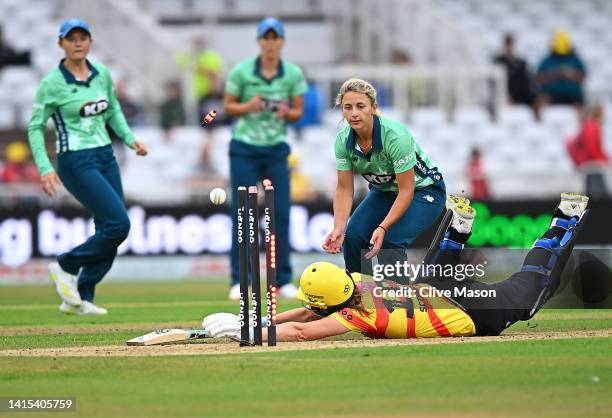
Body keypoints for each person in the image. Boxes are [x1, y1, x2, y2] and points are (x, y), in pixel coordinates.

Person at [203, 192, 590, 341]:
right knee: (430, 278)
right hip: (435, 292)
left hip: (475, 314)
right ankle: (455, 229)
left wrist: (251, 334)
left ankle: (565, 220)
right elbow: (309, 311)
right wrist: (253, 324)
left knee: (533, 289)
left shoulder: (362, 318)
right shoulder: (356, 281)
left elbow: (305, 329)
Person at [27, 18, 148, 315]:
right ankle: (66, 264)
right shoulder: (51, 84)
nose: (78, 42)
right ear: (61, 44)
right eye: (72, 38)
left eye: (83, 37)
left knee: (110, 228)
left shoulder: (101, 74)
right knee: (119, 224)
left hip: (106, 156)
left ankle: (82, 297)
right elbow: (35, 127)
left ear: (90, 41)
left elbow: (114, 110)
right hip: (75, 160)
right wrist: (45, 167)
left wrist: (130, 139)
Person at [322, 78, 446, 280]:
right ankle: (360, 301)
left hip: (424, 192)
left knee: (390, 241)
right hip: (384, 191)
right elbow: (344, 189)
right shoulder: (343, 140)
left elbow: (407, 191)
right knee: (353, 236)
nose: (354, 113)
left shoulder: (395, 136)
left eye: (360, 106)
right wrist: (339, 226)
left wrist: (382, 227)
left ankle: (400, 306)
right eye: (348, 107)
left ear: (373, 107)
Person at [223, 17, 307, 300]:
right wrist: (250, 106)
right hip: (244, 148)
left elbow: (298, 112)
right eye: (266, 37)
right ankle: (239, 280)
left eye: (275, 37)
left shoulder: (292, 73)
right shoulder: (242, 71)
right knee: (243, 213)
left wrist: (285, 112)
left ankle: (282, 280)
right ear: (259, 41)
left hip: (275, 150)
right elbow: (227, 107)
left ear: (281, 41)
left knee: (280, 215)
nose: (270, 42)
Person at [566, 104, 609, 200]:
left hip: (588, 162)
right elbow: (591, 150)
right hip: (588, 162)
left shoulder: (591, 126)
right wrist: (605, 160)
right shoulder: (591, 126)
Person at [536, 30, 586, 107]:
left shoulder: (575, 59)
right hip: (552, 95)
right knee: (541, 99)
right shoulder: (547, 60)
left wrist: (570, 74)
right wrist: (554, 74)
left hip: (573, 95)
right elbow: (539, 78)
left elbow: (583, 77)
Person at [493, 34, 537, 114]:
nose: (509, 48)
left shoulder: (521, 62)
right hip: (507, 92)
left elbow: (527, 78)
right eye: (507, 45)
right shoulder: (499, 61)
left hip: (522, 92)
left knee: (536, 98)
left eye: (511, 45)